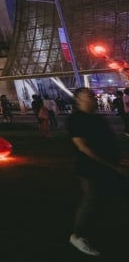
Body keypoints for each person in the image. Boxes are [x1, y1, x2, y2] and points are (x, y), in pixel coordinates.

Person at [66, 87, 129, 257]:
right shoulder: (75, 119)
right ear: (78, 100)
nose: (94, 98)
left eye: (93, 95)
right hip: (91, 169)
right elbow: (83, 147)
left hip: (109, 166)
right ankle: (78, 236)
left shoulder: (97, 118)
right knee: (92, 201)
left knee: (121, 194)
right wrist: (112, 165)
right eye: (90, 96)